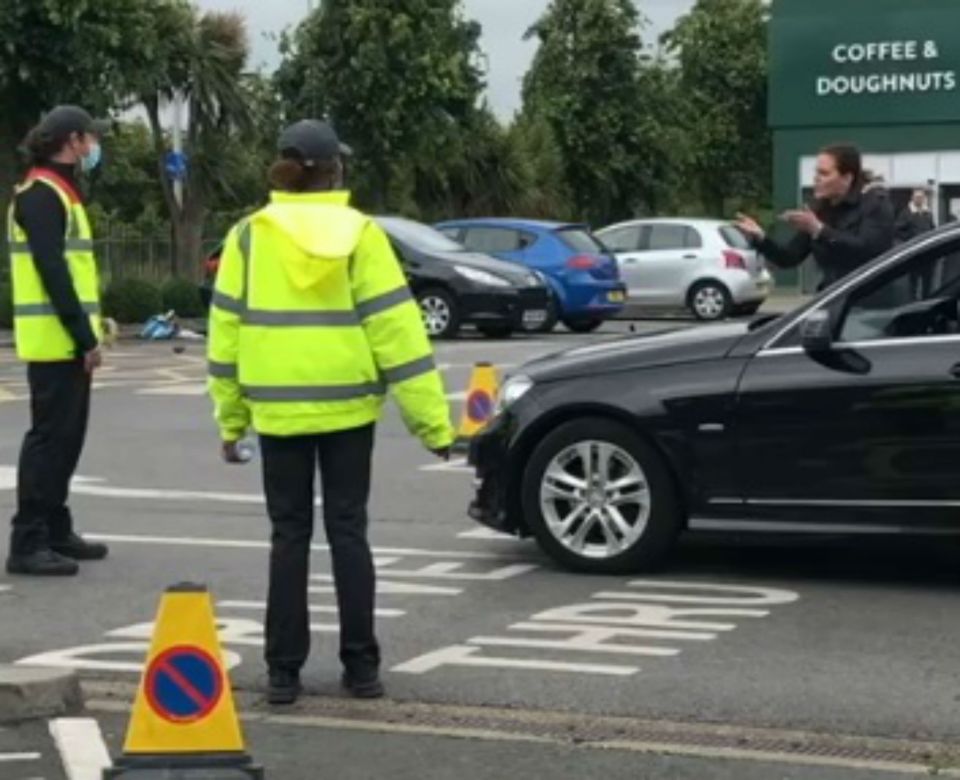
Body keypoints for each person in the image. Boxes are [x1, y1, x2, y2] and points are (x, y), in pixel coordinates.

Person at [207, 120, 455, 705]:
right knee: (349, 533)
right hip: (349, 409)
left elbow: (226, 334)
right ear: (334, 171)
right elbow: (398, 332)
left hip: (278, 415)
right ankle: (361, 668)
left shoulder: (247, 236)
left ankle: (283, 673)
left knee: (288, 537)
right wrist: (433, 427)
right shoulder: (362, 234)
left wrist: (231, 419)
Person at [6, 106, 110, 577]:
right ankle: (28, 540)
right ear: (72, 141)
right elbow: (53, 271)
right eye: (90, 139)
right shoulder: (41, 196)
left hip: (65, 340)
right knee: (50, 440)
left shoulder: (61, 195)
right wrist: (83, 336)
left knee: (68, 439)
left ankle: (53, 526)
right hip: (55, 340)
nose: (93, 148)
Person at [736, 144, 895, 291]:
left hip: (871, 300)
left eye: (824, 173)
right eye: (816, 172)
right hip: (834, 297)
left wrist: (819, 230)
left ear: (847, 178)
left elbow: (868, 251)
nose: (816, 178)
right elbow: (789, 257)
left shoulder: (875, 203)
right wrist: (761, 239)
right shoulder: (821, 210)